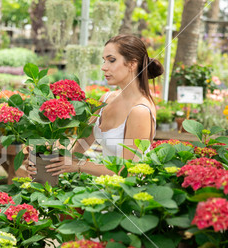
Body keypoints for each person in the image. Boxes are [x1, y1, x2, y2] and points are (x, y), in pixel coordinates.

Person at [28, 34, 164, 177]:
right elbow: (80, 147)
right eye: (104, 61)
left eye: (111, 60)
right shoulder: (106, 99)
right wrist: (43, 160)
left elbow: (127, 170)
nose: (104, 67)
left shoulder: (140, 111)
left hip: (130, 194)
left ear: (132, 64)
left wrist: (79, 166)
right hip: (106, 188)